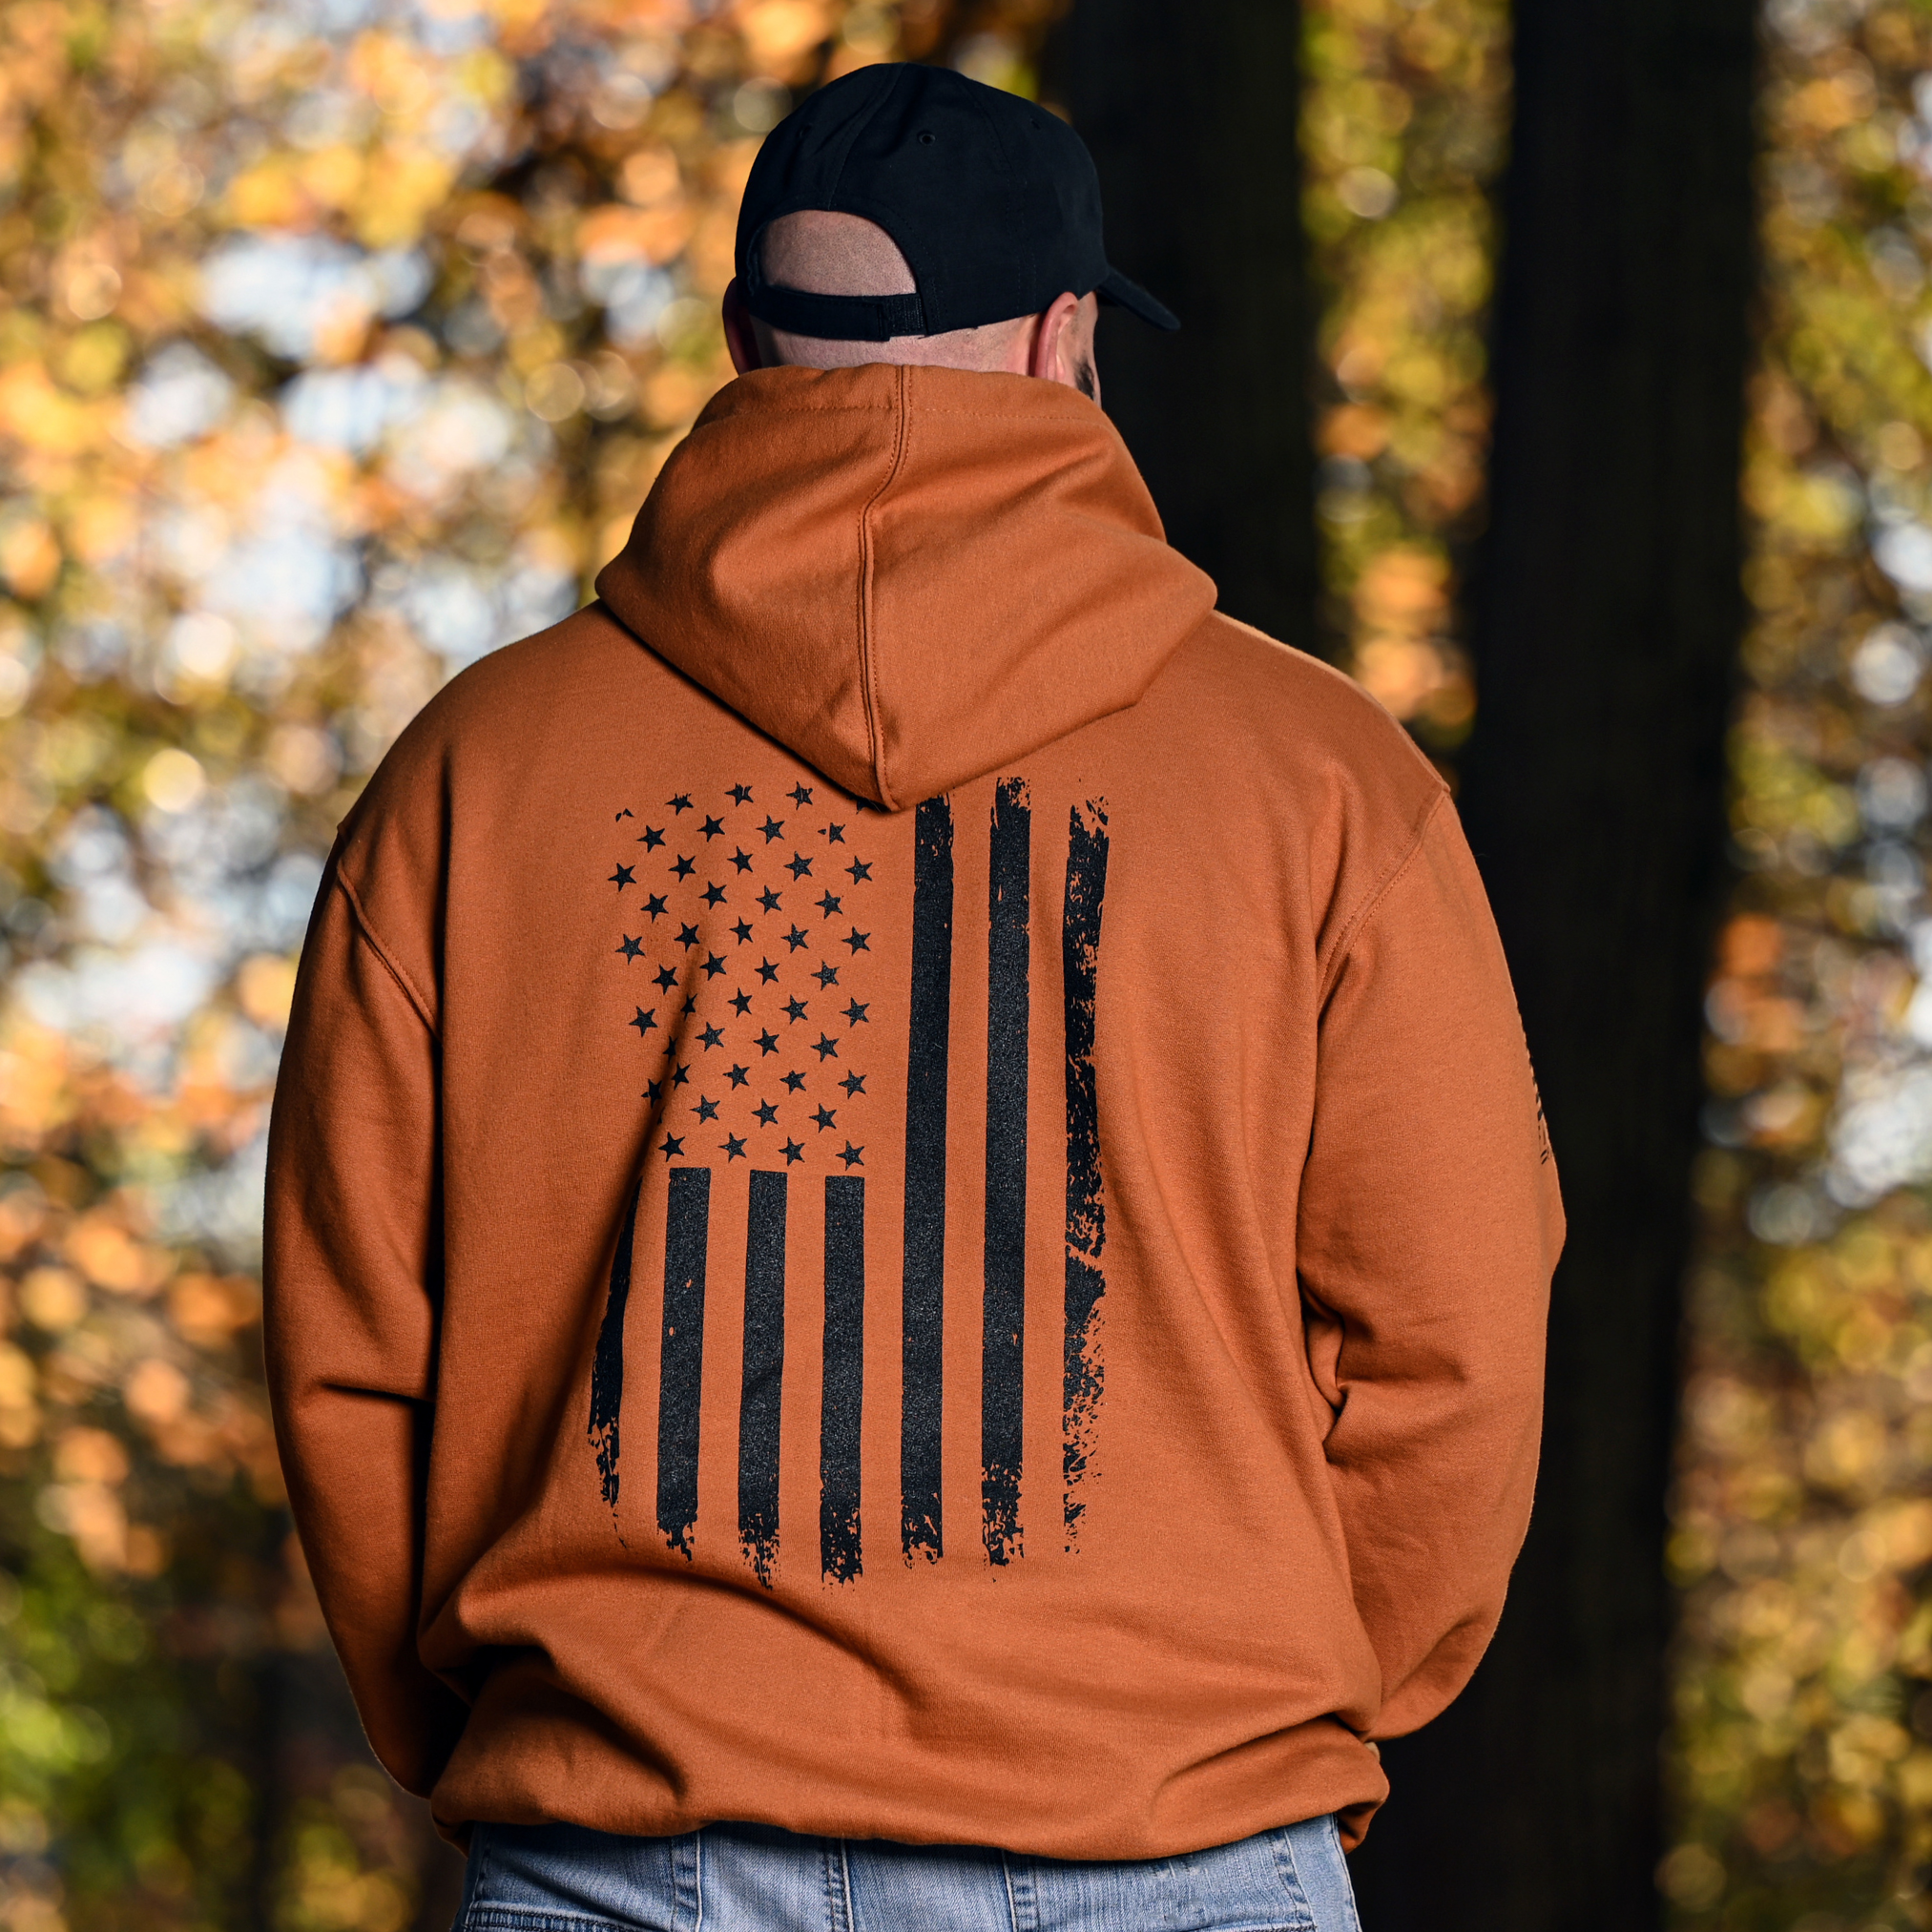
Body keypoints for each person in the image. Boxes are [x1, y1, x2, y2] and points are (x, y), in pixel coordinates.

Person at [263, 59, 1562, 1932]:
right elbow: (1451, 1335)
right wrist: (1261, 1702)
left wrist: (547, 1732)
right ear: (1062, 341)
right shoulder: (1322, 783)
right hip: (1165, 1842)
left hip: (625, 1847)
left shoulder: (478, 773)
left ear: (741, 339)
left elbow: (352, 1345)